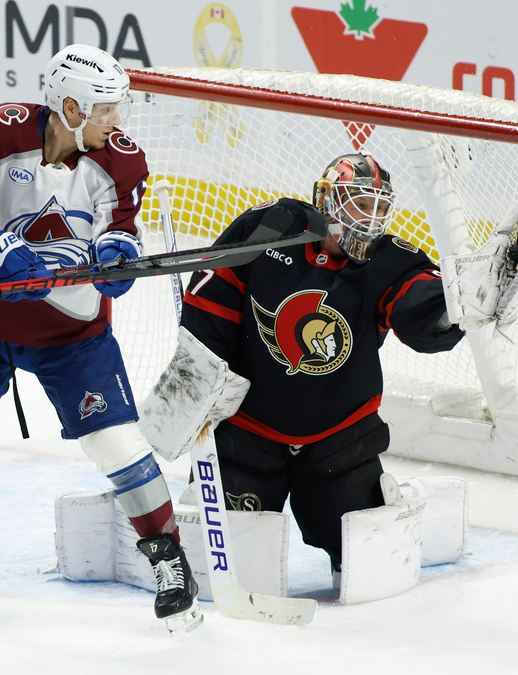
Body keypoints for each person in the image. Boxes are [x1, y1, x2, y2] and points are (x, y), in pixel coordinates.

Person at [0, 43, 200, 630]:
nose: (115, 121)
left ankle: (170, 560)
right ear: (69, 106)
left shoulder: (121, 161)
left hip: (72, 335)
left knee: (117, 446)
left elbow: (120, 228)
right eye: (104, 109)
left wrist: (119, 253)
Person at [172, 153, 465, 582]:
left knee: (366, 565)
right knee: (232, 567)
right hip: (249, 431)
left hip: (340, 439)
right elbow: (210, 301)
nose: (371, 220)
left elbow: (418, 308)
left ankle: (399, 507)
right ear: (328, 202)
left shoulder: (387, 259)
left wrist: (457, 304)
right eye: (361, 205)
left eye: (380, 208)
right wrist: (199, 382)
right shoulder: (271, 229)